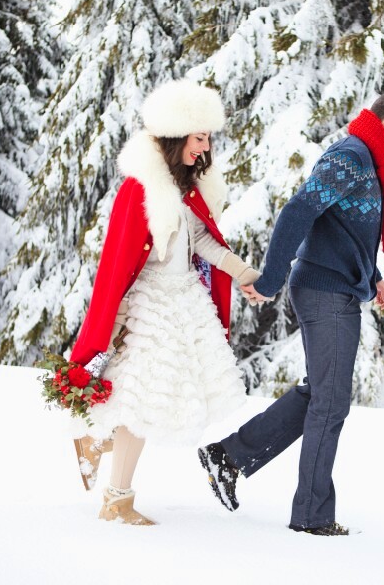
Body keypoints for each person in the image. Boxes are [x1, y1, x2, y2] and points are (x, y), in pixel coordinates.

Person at [198, 93, 384, 536]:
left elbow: (344, 228)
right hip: (325, 292)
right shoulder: (352, 156)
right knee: (331, 402)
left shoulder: (369, 162)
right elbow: (299, 211)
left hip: (337, 286)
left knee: (320, 394)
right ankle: (312, 516)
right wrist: (268, 279)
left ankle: (229, 456)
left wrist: (372, 275)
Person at [66, 80, 258, 526]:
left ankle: (96, 443)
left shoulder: (189, 187)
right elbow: (121, 260)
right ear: (176, 136)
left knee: (150, 401)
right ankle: (116, 499)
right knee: (143, 402)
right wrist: (114, 317)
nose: (205, 146)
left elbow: (204, 243)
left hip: (185, 303)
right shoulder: (142, 189)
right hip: (151, 306)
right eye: (199, 137)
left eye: (208, 138)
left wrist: (243, 272)